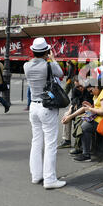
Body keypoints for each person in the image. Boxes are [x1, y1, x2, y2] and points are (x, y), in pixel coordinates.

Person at [24, 38, 66, 189]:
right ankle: (50, 179)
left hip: (33, 107)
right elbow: (61, 73)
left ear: (33, 51)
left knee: (36, 141)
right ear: (46, 52)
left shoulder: (26, 66)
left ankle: (36, 175)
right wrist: (52, 59)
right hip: (47, 107)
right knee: (50, 144)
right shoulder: (49, 65)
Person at [63, 77, 103, 163]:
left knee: (84, 127)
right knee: (79, 121)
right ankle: (80, 148)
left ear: (96, 86)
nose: (91, 93)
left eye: (91, 91)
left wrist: (90, 109)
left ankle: (86, 154)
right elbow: (91, 108)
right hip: (98, 118)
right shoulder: (97, 94)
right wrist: (70, 116)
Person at [58, 76, 93, 150]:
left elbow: (85, 106)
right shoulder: (75, 89)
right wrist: (69, 113)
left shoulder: (89, 90)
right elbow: (73, 102)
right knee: (66, 114)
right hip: (78, 108)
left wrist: (71, 115)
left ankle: (79, 144)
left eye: (81, 86)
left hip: (87, 110)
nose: (80, 88)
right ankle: (67, 140)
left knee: (77, 117)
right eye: (77, 87)